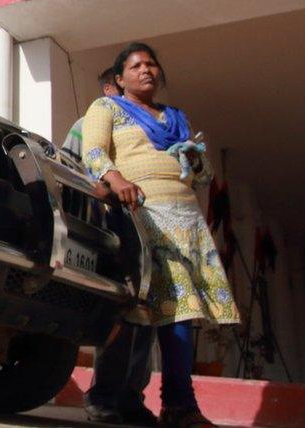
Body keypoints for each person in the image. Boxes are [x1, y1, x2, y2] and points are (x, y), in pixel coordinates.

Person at [82, 43, 240, 428]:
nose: (146, 70)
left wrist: (196, 161)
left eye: (151, 64)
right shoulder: (107, 108)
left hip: (185, 220)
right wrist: (116, 178)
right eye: (135, 66)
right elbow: (93, 152)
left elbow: (200, 178)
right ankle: (162, 402)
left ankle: (163, 404)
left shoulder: (177, 118)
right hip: (141, 216)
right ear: (119, 79)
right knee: (143, 310)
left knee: (177, 313)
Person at [68, 70, 158, 425]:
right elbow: (69, 165)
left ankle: (131, 397)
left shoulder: (148, 128)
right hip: (110, 229)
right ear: (112, 87)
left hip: (148, 231)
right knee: (122, 309)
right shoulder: (88, 122)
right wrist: (99, 187)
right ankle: (104, 396)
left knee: (146, 315)